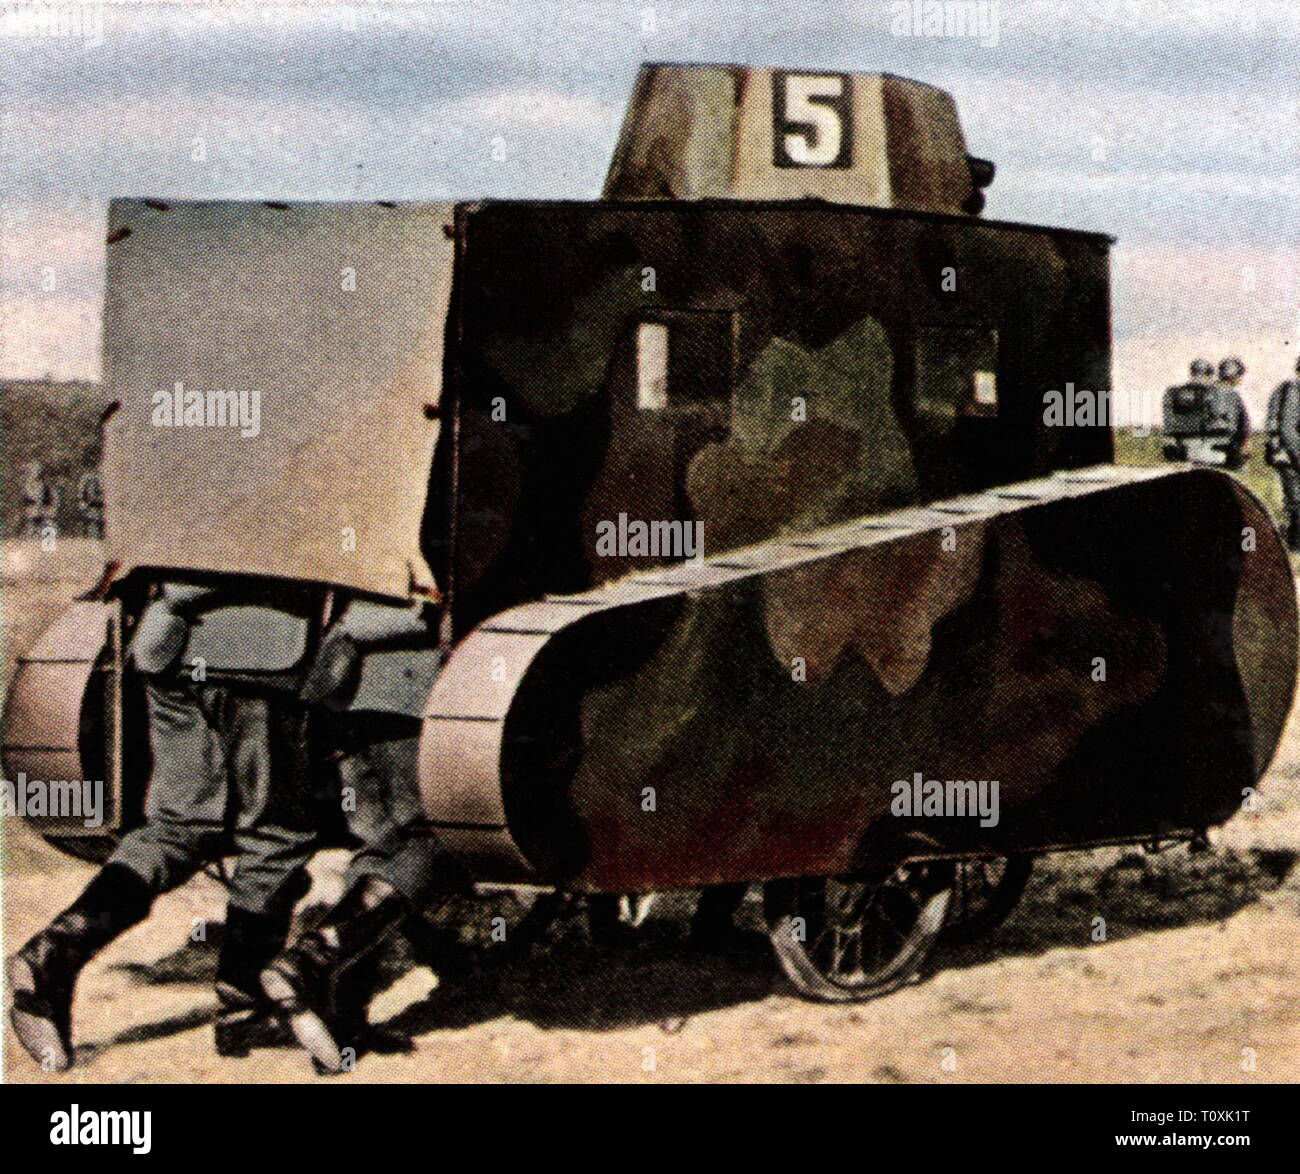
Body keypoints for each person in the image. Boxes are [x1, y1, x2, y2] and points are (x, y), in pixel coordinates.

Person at [7, 581, 318, 1071]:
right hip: (262, 651)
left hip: (168, 645)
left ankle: (56, 951)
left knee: (177, 825)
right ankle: (244, 1005)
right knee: (274, 833)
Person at [261, 598, 469, 1075]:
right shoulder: (430, 531)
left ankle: (344, 1020)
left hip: (348, 700)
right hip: (412, 697)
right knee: (427, 843)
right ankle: (310, 961)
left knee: (378, 850)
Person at [1266, 357, 1300, 550]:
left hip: (1289, 455)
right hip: (1291, 456)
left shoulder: (1287, 388)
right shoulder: (1294, 389)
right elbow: (1288, 429)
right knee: (1296, 502)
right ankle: (1295, 545)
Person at [1161, 360, 1216, 463]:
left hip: (1178, 442)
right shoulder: (1212, 393)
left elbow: (1168, 418)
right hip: (1201, 443)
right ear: (1208, 375)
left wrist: (1169, 439)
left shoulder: (1173, 391)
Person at [1212, 357, 1250, 470]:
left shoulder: (1207, 391)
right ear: (1233, 375)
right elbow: (1242, 423)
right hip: (1228, 449)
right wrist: (1244, 443)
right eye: (1239, 376)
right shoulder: (1232, 395)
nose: (1241, 379)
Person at [21, 461, 59, 539]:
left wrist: (53, 507)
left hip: (44, 509)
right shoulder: (26, 485)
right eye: (34, 470)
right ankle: (32, 537)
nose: (37, 472)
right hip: (32, 510)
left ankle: (49, 542)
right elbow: (27, 501)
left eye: (38, 470)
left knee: (50, 525)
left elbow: (54, 497)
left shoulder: (46, 484)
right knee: (33, 521)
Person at [77, 462, 105, 539]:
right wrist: (83, 503)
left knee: (99, 524)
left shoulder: (102, 478)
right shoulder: (87, 478)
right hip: (91, 505)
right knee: (91, 524)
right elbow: (81, 492)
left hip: (100, 506)